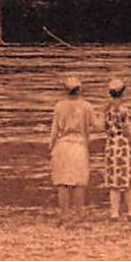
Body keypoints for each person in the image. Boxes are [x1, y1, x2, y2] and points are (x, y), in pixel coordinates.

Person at [50, 75, 101, 222]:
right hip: (78, 145)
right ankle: (79, 214)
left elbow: (54, 130)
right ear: (79, 90)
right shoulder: (86, 106)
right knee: (79, 182)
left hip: (62, 144)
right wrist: (104, 114)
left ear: (65, 91)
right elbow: (97, 125)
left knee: (62, 182)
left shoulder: (59, 106)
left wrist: (51, 147)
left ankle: (64, 214)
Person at [102, 77, 131, 220]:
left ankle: (114, 213)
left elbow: (102, 126)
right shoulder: (123, 110)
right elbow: (128, 133)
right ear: (123, 93)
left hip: (111, 145)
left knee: (113, 181)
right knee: (129, 180)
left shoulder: (106, 110)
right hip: (123, 145)